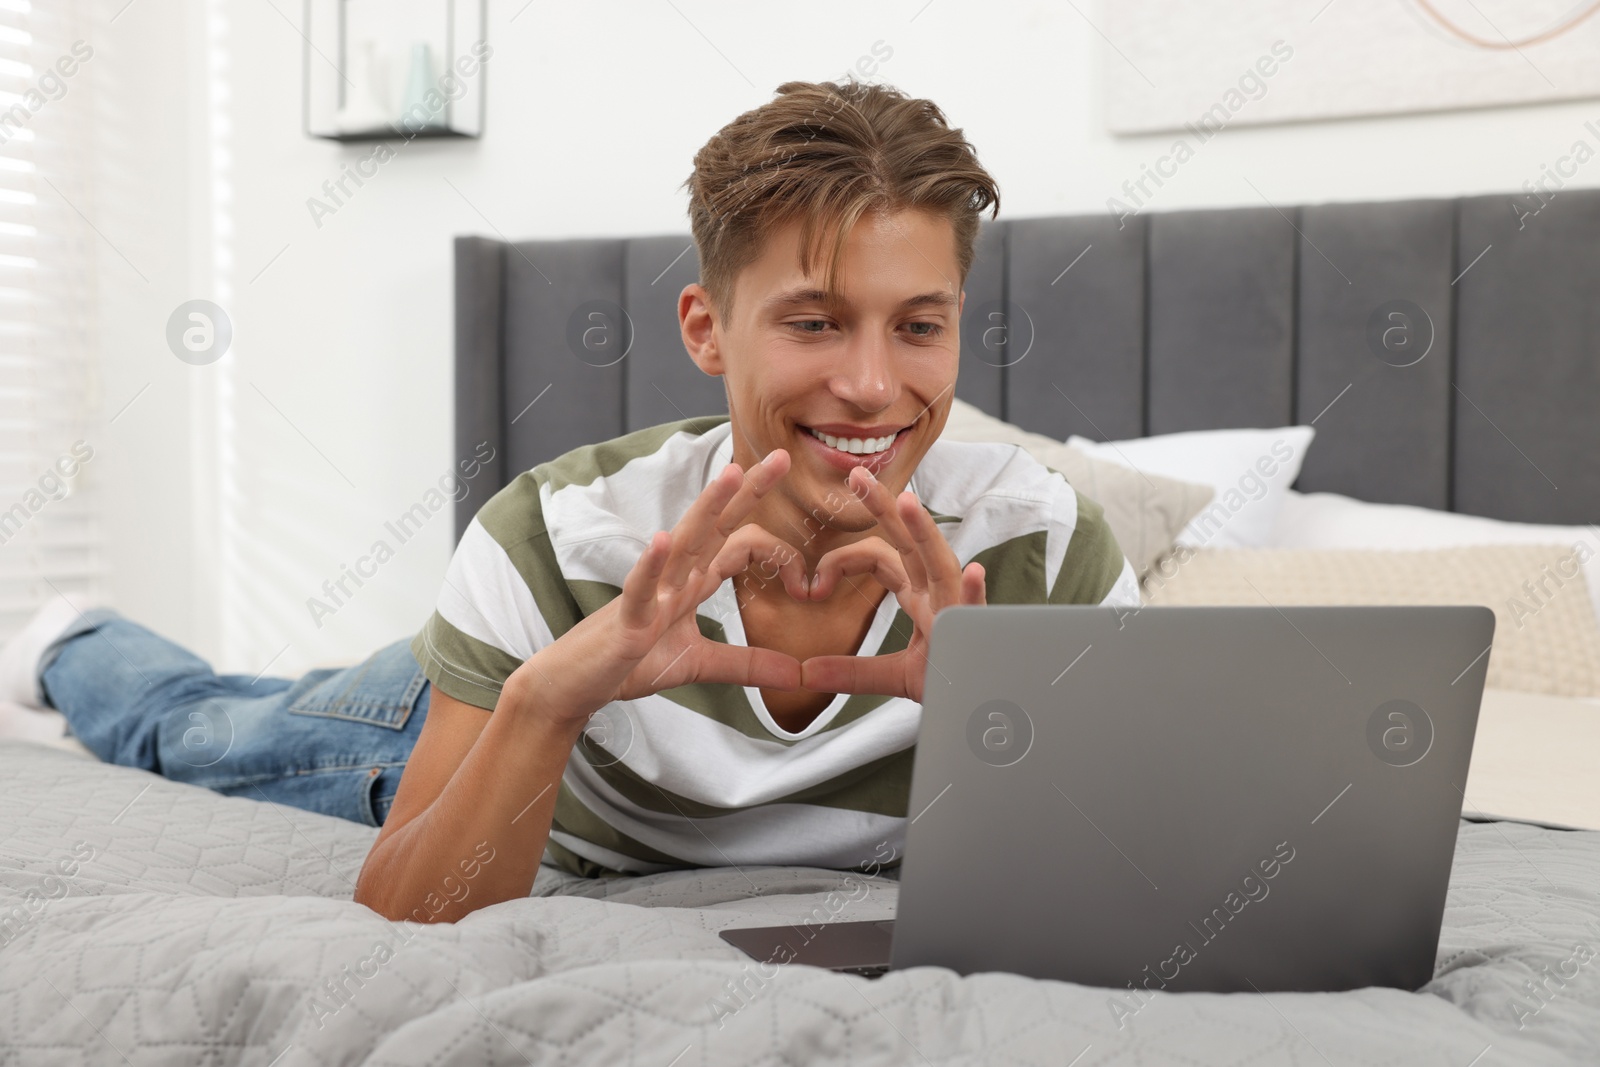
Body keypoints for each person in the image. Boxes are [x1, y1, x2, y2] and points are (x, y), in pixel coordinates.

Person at [0, 79, 1139, 923]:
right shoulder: (556, 538)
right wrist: (547, 704)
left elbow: (1138, 901)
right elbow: (405, 906)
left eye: (919, 324)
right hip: (469, 710)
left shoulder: (1048, 556)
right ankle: (68, 636)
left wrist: (1006, 728)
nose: (872, 384)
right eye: (813, 319)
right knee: (196, 725)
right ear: (706, 327)